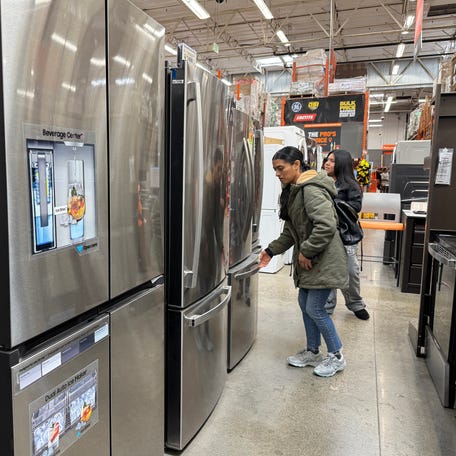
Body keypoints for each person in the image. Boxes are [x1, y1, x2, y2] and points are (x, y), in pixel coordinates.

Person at [259, 146, 348, 377]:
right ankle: (312, 351)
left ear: (297, 165)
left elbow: (326, 226)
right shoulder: (295, 190)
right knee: (305, 304)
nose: (278, 174)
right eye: (275, 170)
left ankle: (336, 356)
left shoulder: (311, 190)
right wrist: (270, 250)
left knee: (316, 308)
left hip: (323, 260)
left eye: (281, 168)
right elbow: (291, 231)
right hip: (311, 261)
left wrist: (306, 251)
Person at [323, 150, 370, 320]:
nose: (327, 163)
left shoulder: (351, 185)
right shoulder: (322, 181)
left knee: (351, 270)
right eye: (327, 160)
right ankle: (327, 307)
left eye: (332, 161)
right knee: (328, 270)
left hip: (346, 233)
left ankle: (355, 303)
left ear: (342, 164)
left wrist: (332, 202)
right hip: (326, 233)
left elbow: (356, 207)